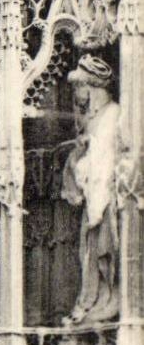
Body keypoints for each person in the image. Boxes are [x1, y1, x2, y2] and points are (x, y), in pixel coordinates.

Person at [61, 53, 121, 323]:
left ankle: (105, 301)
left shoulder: (114, 114)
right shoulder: (90, 120)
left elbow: (114, 158)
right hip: (93, 198)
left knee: (104, 250)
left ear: (94, 88)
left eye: (80, 86)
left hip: (109, 199)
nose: (77, 93)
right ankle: (89, 301)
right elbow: (83, 162)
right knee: (87, 250)